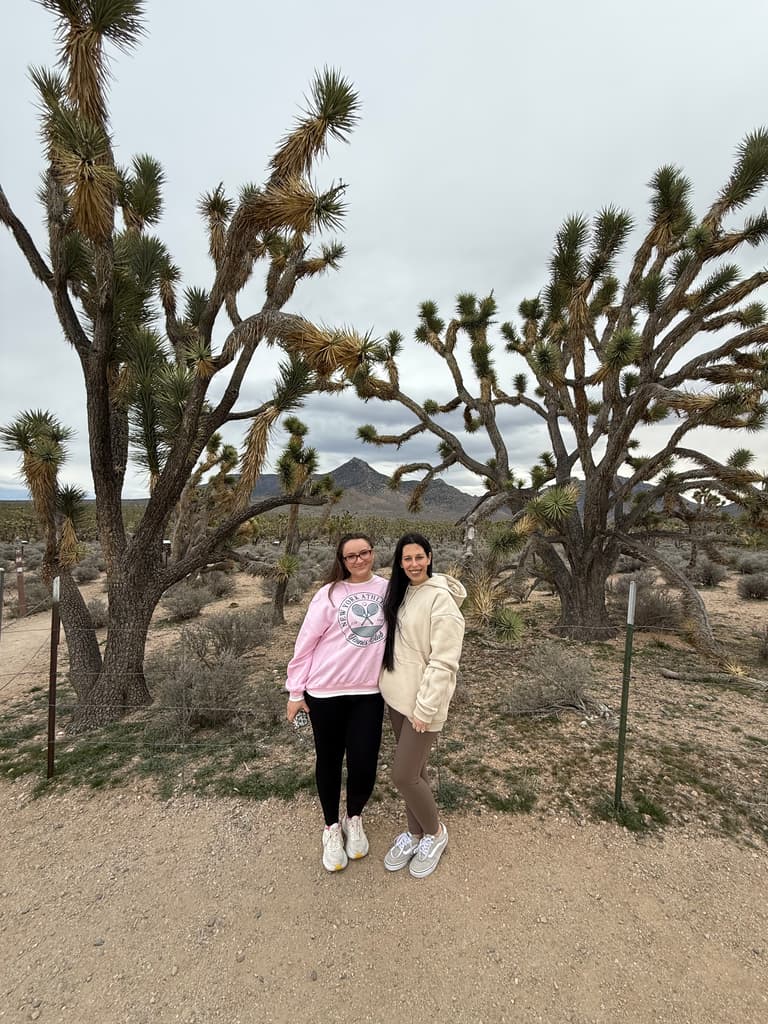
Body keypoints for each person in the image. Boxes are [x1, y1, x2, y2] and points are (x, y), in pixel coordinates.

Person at [285, 533, 387, 872]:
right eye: (351, 556)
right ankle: (331, 827)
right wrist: (295, 691)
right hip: (325, 693)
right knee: (328, 760)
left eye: (364, 553)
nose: (359, 560)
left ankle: (353, 817)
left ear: (373, 553)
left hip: (368, 694)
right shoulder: (328, 594)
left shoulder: (388, 590)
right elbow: (305, 643)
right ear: (341, 561)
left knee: (365, 763)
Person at [379, 532, 466, 878]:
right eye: (406, 559)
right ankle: (414, 833)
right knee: (416, 772)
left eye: (419, 557)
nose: (413, 564)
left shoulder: (441, 601)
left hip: (421, 705)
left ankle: (435, 833)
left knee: (402, 775)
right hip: (397, 700)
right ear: (400, 563)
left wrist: (425, 708)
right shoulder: (402, 593)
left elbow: (444, 662)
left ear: (430, 557)